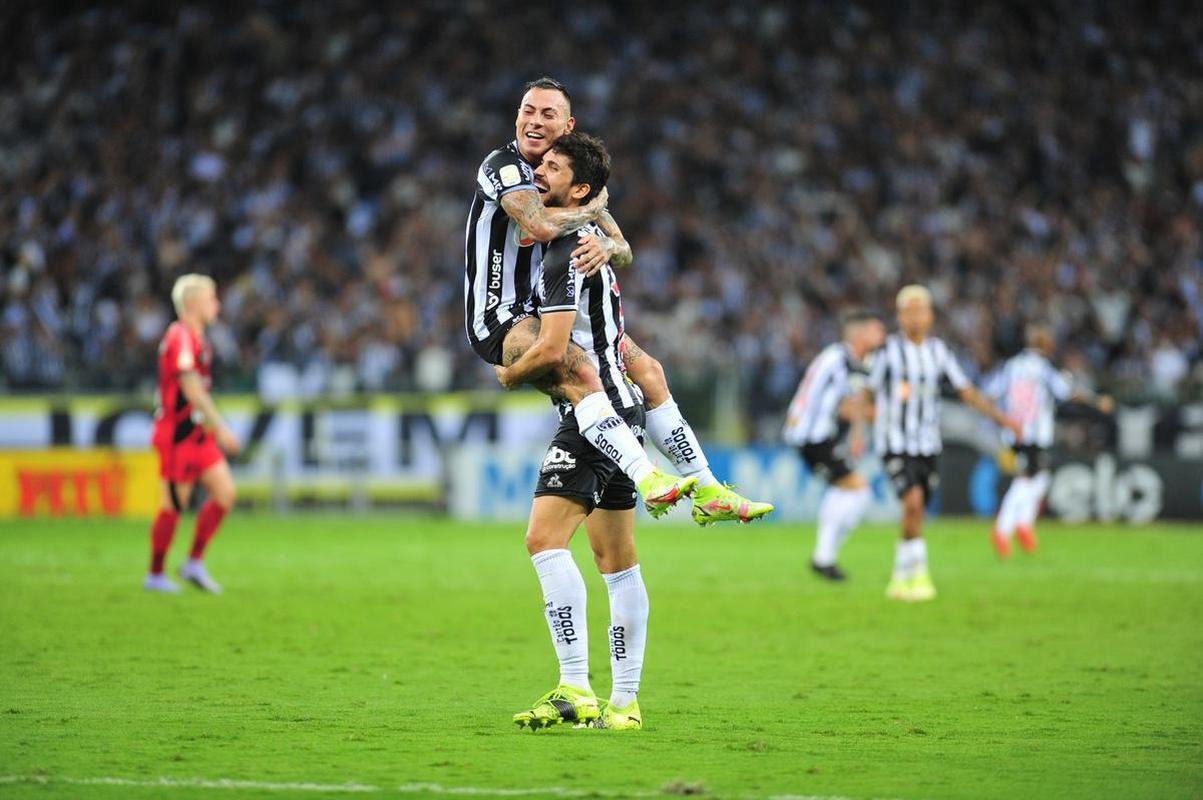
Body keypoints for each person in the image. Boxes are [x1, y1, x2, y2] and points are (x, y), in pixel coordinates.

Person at [482, 76, 772, 524]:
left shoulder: (567, 170)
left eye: (547, 114)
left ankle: (710, 490)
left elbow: (625, 250)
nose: (534, 121)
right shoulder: (505, 165)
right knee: (577, 369)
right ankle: (646, 474)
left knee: (649, 369)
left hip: (544, 307)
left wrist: (607, 246)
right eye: (527, 110)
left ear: (567, 125)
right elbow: (538, 226)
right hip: (500, 314)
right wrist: (594, 209)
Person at [507, 133, 648, 730]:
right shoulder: (593, 238)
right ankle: (626, 705)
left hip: (597, 411)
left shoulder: (568, 248)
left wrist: (510, 373)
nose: (539, 172)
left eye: (553, 167)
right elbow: (620, 251)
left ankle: (575, 687)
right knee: (616, 561)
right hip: (623, 408)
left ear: (581, 188)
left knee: (543, 541)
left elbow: (556, 349)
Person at [868, 285, 1022, 602]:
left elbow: (965, 391)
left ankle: (900, 575)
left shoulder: (938, 352)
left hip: (928, 444)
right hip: (895, 443)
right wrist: (859, 430)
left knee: (917, 509)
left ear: (930, 316)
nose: (914, 318)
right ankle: (920, 573)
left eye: (920, 311)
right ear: (899, 317)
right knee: (911, 501)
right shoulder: (887, 353)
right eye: (908, 312)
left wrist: (1001, 419)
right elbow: (865, 393)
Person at [144, 274, 240, 594]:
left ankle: (193, 562)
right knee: (174, 504)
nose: (217, 305)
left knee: (225, 493)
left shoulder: (198, 338)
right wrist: (221, 428)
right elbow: (191, 387)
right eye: (211, 298)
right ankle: (155, 573)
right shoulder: (180, 335)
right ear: (193, 303)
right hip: (178, 435)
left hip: (197, 434)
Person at [989, 323, 1113, 557]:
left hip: (1014, 431)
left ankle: (1023, 525)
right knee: (1027, 480)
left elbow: (991, 393)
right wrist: (1096, 402)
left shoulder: (1011, 366)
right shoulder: (1043, 368)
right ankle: (1003, 529)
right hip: (1034, 434)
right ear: (1045, 344)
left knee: (1040, 478)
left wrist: (1000, 420)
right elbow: (1068, 392)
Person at [784, 310, 886, 581]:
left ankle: (824, 557)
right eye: (877, 330)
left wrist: (856, 436)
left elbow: (854, 402)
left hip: (816, 435)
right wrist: (888, 414)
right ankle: (824, 556)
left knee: (844, 488)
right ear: (861, 333)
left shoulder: (850, 360)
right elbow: (848, 406)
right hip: (812, 436)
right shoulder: (840, 361)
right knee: (859, 489)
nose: (882, 336)